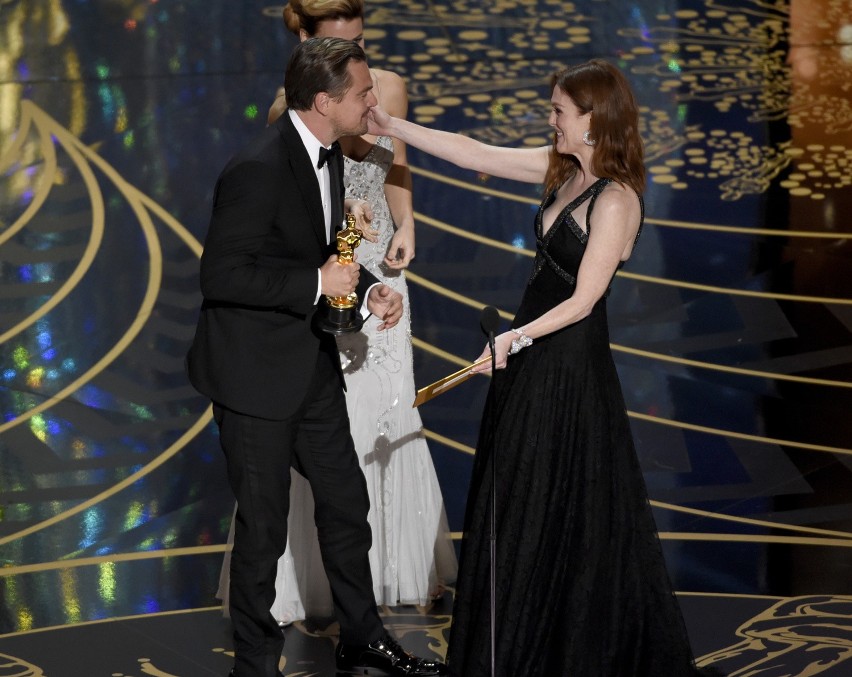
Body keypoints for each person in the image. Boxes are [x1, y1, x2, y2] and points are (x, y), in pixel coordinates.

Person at [367, 60, 720, 676]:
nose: (550, 120)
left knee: (556, 501)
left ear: (593, 121)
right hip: (528, 355)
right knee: (521, 498)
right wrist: (392, 123)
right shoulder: (563, 171)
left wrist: (514, 338)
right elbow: (471, 151)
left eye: (559, 111)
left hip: (566, 366)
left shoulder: (616, 201)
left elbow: (583, 301)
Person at [187, 37, 447, 677]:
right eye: (363, 92)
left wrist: (367, 289)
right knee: (264, 531)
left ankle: (363, 635)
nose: (373, 99)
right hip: (255, 381)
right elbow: (222, 277)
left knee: (344, 503)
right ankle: (255, 663)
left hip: (310, 369)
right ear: (326, 101)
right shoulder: (258, 168)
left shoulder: (328, 156)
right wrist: (317, 285)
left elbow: (326, 252)